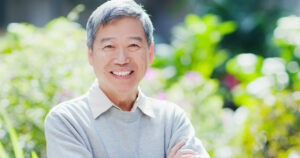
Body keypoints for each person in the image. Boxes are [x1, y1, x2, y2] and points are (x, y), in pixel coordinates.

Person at [44, 0, 210, 158]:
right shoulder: (67, 121)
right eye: (109, 46)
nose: (122, 59)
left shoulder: (171, 119)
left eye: (133, 46)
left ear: (150, 53)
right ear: (90, 54)